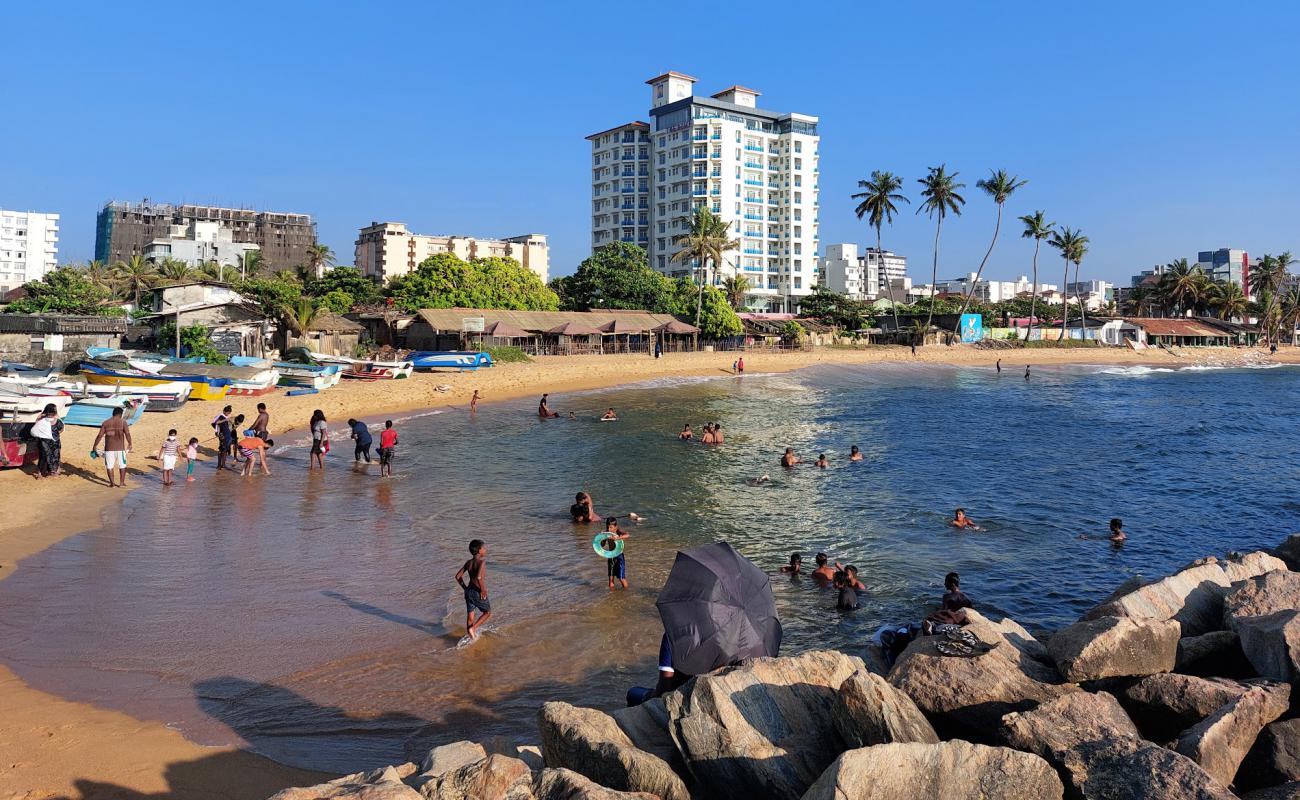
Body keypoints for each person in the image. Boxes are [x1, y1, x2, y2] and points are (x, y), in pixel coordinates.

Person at [455, 539, 491, 640]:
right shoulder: (482, 562)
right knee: (487, 612)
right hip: (477, 591)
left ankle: (471, 636)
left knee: (470, 617)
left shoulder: (468, 563)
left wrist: (465, 588)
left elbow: (458, 576)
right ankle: (473, 629)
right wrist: (483, 590)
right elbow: (479, 577)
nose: (485, 549)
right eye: (484, 548)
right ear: (479, 551)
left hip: (469, 592)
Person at [93, 406, 132, 488]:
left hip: (109, 449)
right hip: (120, 448)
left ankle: (112, 484)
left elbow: (100, 435)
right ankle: (121, 483)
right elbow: (127, 434)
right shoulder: (123, 422)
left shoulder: (106, 423)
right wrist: (130, 443)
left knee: (109, 466)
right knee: (122, 465)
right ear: (120, 414)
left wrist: (95, 446)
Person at [29, 403, 61, 478]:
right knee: (51, 455)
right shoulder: (47, 418)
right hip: (47, 440)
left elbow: (36, 426)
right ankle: (50, 472)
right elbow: (60, 429)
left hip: (44, 439)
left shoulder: (42, 417)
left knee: (45, 456)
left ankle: (43, 472)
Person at [601, 517, 630, 591]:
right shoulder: (607, 534)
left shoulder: (618, 532)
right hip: (610, 556)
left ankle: (626, 593)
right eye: (607, 527)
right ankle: (612, 595)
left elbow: (627, 535)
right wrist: (602, 538)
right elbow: (602, 545)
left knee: (621, 578)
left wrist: (618, 538)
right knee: (610, 578)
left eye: (611, 527)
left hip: (619, 557)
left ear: (616, 527)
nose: (609, 529)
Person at [212, 405, 234, 471]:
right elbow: (217, 422)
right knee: (221, 450)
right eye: (228, 413)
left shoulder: (224, 416)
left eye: (229, 413)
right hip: (223, 435)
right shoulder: (221, 416)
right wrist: (226, 419)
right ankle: (219, 465)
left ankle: (223, 464)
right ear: (224, 411)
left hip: (226, 435)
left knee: (225, 450)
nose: (228, 414)